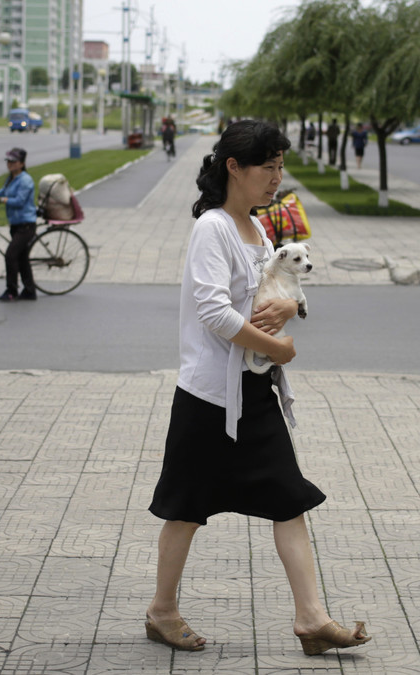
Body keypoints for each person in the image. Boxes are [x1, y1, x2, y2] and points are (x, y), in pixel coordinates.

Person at [146, 120, 371, 656]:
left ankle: (312, 620)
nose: (277, 177)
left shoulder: (259, 231)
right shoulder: (214, 228)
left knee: (287, 497)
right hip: (208, 396)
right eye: (267, 166)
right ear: (233, 167)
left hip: (252, 392)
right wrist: (277, 348)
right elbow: (213, 312)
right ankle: (161, 611)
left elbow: (275, 292)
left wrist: (293, 306)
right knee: (186, 506)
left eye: (279, 166)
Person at [0, 147, 38, 301]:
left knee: (11, 256)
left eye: (13, 161)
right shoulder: (11, 178)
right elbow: (3, 191)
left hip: (26, 225)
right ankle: (29, 291)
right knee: (21, 258)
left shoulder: (25, 180)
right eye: (8, 161)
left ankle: (11, 291)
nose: (9, 164)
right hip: (15, 225)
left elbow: (19, 201)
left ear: (21, 164)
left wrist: (1, 200)